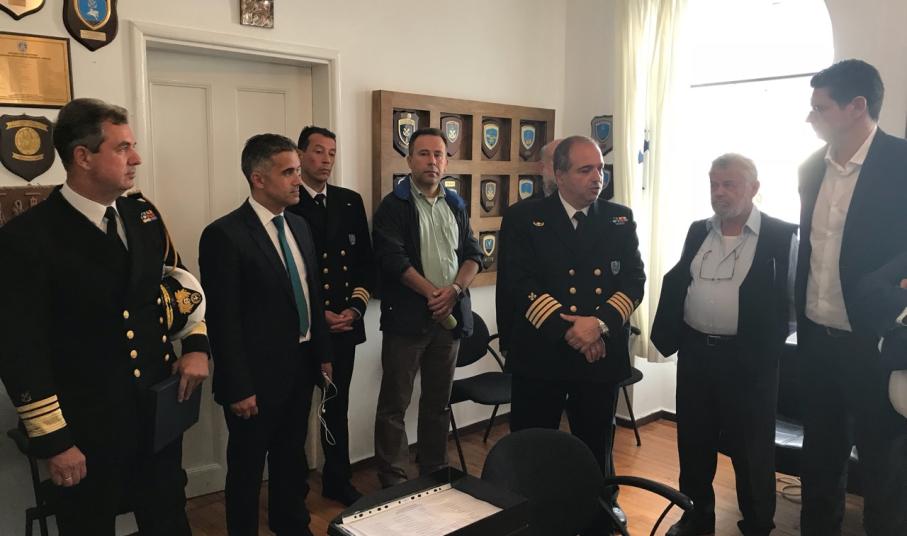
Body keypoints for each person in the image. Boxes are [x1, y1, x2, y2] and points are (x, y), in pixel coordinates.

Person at [0, 98, 209, 536]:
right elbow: (20, 350)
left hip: (156, 416)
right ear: (83, 157)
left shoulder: (142, 215)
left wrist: (195, 345)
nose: (136, 158)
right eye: (122, 148)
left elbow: (180, 281)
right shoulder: (28, 238)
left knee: (169, 520)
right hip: (86, 428)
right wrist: (55, 442)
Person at [501, 135, 645, 532]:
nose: (597, 177)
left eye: (601, 169)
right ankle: (534, 516)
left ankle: (600, 513)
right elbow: (520, 283)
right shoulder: (524, 218)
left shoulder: (618, 218)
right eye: (586, 170)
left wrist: (596, 325)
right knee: (533, 444)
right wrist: (572, 331)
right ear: (559, 174)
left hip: (598, 353)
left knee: (596, 442)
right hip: (542, 352)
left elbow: (634, 281)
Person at [651, 154, 798, 536]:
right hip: (696, 355)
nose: (719, 192)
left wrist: (766, 345)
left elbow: (794, 303)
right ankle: (696, 519)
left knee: (752, 452)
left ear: (754, 188)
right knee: (693, 444)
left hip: (749, 361)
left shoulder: (782, 236)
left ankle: (757, 526)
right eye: (714, 184)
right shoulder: (698, 231)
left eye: (729, 184)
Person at [199, 134, 332, 536]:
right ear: (258, 179)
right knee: (247, 468)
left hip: (300, 367)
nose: (298, 180)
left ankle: (291, 525)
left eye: (298, 170)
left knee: (291, 459)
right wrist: (238, 386)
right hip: (254, 379)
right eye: (288, 172)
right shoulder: (225, 235)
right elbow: (223, 319)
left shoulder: (300, 226)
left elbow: (312, 294)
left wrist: (323, 354)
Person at [796, 59, 907, 535]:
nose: (810, 117)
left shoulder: (901, 163)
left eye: (820, 108)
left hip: (874, 344)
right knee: (820, 460)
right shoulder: (809, 169)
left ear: (857, 106)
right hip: (818, 340)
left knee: (884, 469)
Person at [371, 127, 482, 488]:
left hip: (448, 322)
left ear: (446, 162)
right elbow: (393, 259)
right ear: (409, 160)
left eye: (439, 154)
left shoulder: (456, 204)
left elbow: (473, 254)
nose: (432, 161)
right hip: (407, 322)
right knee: (394, 405)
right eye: (423, 153)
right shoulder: (393, 206)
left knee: (438, 402)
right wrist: (435, 294)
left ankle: (434, 470)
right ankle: (394, 479)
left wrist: (454, 290)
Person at [286, 125, 374, 505]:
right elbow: (289, 273)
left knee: (336, 408)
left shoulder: (349, 201)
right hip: (305, 327)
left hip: (344, 325)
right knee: (295, 412)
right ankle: (293, 489)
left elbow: (365, 264)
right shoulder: (287, 201)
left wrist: (355, 308)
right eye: (318, 151)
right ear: (300, 155)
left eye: (332, 153)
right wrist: (319, 314)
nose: (326, 160)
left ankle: (338, 479)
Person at [497, 138, 562, 354]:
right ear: (542, 167)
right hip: (533, 334)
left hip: (584, 336)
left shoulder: (603, 215)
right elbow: (508, 283)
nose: (562, 169)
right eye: (557, 161)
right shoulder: (520, 215)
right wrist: (506, 339)